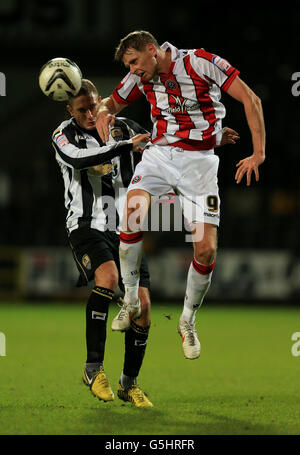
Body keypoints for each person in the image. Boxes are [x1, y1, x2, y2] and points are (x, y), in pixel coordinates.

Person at [96, 31, 266, 360]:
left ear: (151, 50)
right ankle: (130, 298)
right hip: (159, 156)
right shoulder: (139, 76)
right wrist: (104, 114)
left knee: (206, 249)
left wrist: (258, 153)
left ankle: (186, 320)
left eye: (133, 62)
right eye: (127, 65)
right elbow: (110, 102)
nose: (131, 70)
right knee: (132, 212)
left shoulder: (200, 62)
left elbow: (251, 99)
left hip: (200, 166)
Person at [52, 78, 154, 407]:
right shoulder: (63, 134)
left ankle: (129, 383)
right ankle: (93, 369)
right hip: (85, 224)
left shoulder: (125, 127)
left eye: (94, 105)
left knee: (144, 309)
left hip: (125, 228)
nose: (90, 112)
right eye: (82, 110)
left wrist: (209, 142)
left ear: (101, 99)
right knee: (107, 279)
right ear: (70, 110)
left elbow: (162, 148)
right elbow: (80, 160)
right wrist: (125, 147)